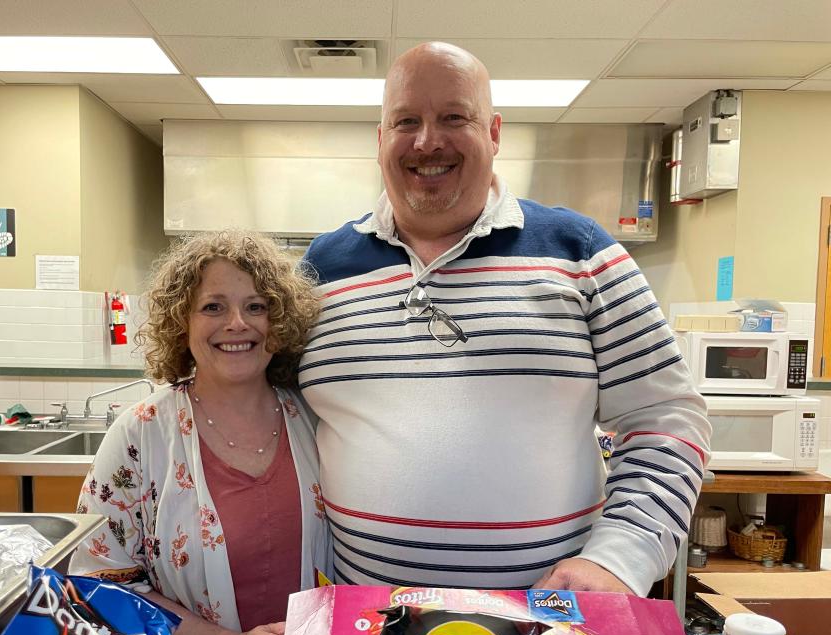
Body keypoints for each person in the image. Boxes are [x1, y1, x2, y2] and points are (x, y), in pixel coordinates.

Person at [298, 42, 711, 596]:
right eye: (405, 121)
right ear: (380, 140)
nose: (427, 141)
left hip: (546, 627)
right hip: (365, 624)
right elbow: (269, 422)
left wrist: (619, 559)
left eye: (453, 117)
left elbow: (667, 421)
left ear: (493, 134)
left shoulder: (581, 252)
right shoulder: (319, 270)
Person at [71, 230, 329, 635]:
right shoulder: (141, 434)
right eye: (213, 307)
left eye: (256, 307)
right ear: (181, 322)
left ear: (279, 323)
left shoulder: (316, 419)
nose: (237, 324)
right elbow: (99, 585)